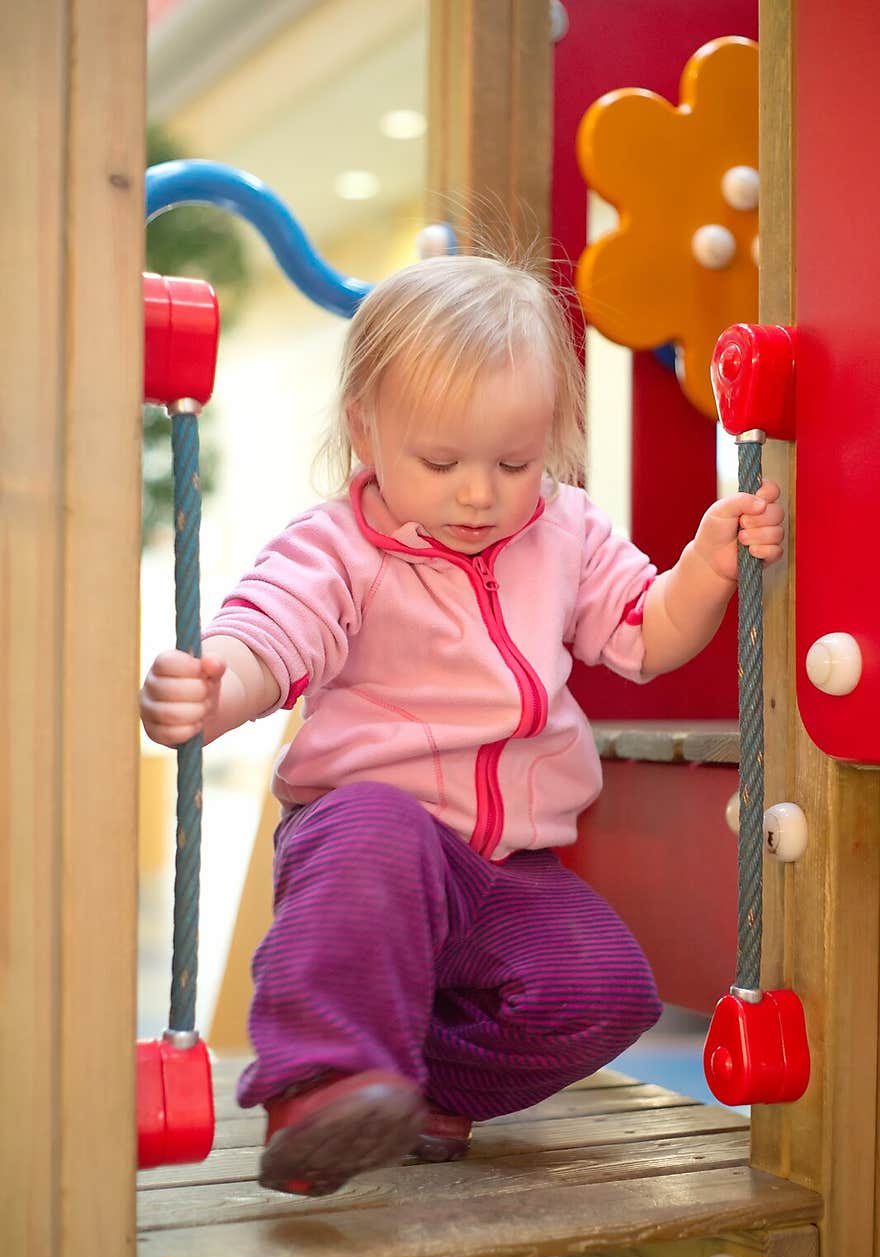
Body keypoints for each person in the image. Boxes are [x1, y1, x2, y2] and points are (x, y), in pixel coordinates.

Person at [140, 252, 784, 1198]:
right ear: (367, 428)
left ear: (551, 443)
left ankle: (407, 1091)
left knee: (603, 992)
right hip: (367, 850)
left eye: (514, 462)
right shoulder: (338, 549)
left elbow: (645, 635)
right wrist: (213, 684)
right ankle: (322, 1082)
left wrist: (705, 564)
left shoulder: (565, 532)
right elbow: (270, 636)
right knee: (376, 823)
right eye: (442, 462)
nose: (480, 494)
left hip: (504, 871)